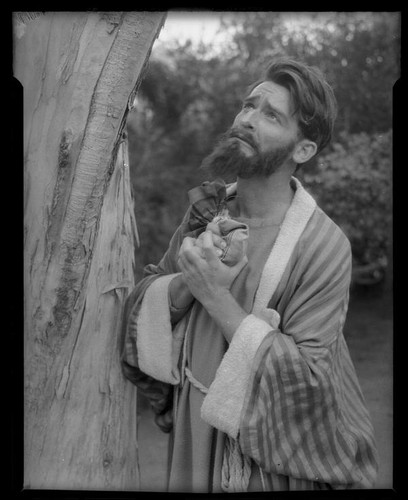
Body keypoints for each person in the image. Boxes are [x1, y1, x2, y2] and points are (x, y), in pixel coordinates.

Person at [120, 57, 378, 493]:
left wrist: (216, 297)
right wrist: (188, 281)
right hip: (193, 430)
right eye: (248, 105)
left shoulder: (323, 246)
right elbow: (148, 298)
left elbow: (309, 382)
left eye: (271, 115)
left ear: (303, 150)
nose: (247, 119)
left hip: (261, 465)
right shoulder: (205, 213)